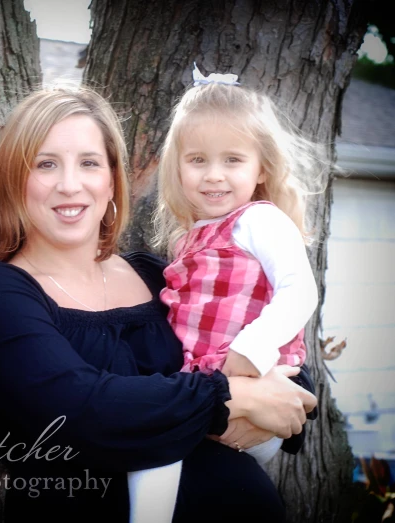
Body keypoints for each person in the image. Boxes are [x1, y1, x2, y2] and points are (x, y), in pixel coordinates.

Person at [0, 87, 318, 522]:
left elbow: (258, 348)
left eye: (89, 163)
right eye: (46, 164)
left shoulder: (155, 274)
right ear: (15, 180)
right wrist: (230, 398)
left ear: (112, 179)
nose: (69, 184)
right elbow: (85, 413)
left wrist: (280, 394)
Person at [124, 64, 325, 522]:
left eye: (232, 160)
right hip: (209, 392)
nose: (214, 175)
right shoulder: (191, 235)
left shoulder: (259, 220)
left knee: (160, 454)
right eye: (198, 160)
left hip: (258, 388)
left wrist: (252, 349)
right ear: (179, 166)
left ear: (261, 168)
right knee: (161, 462)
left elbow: (301, 291)